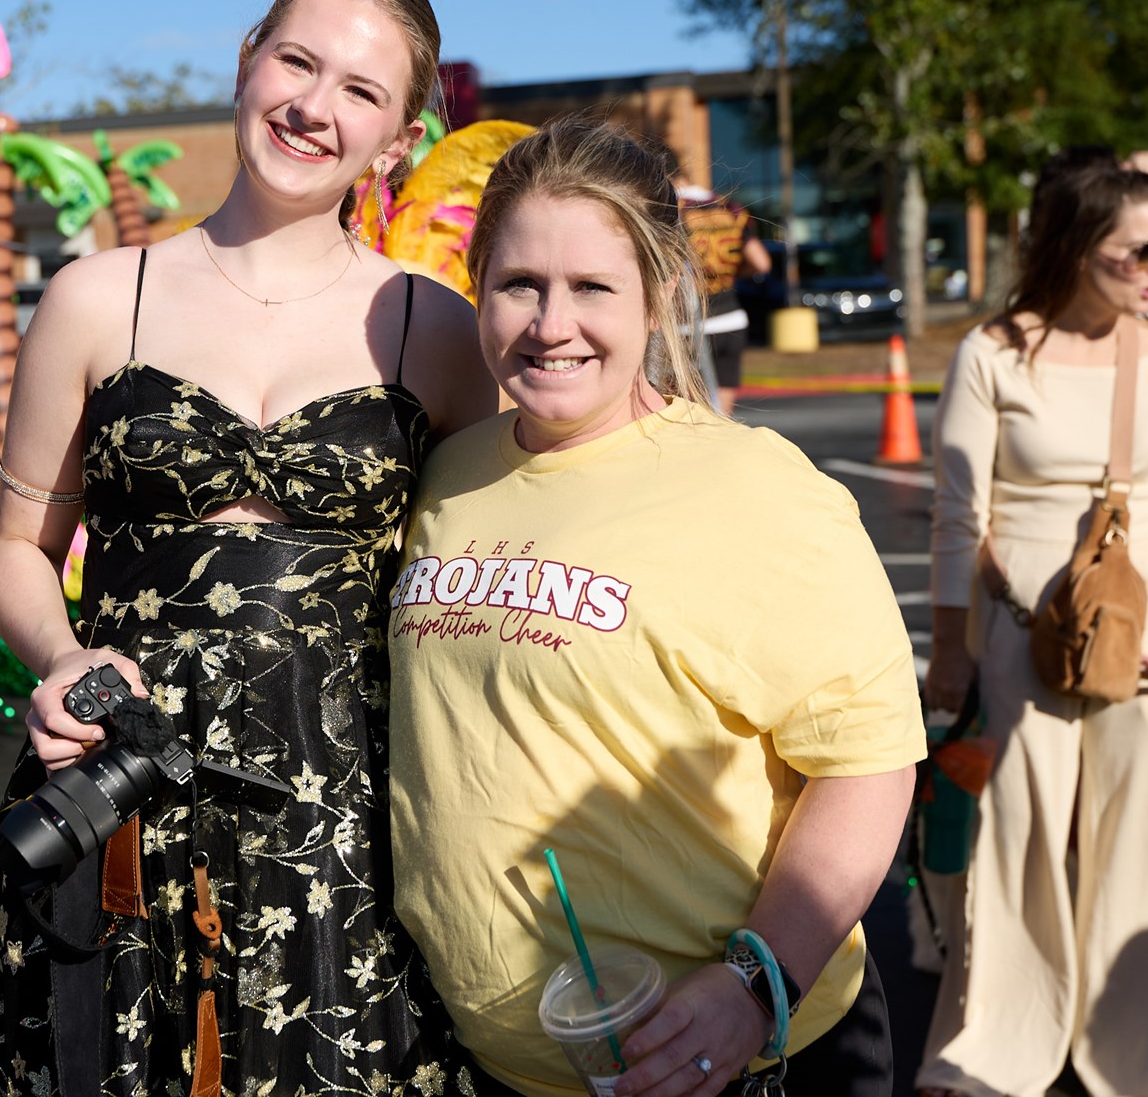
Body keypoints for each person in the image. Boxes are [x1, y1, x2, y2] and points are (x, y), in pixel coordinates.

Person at [0, 0, 499, 1097]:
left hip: (347, 818)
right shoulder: (98, 298)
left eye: (360, 90)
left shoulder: (437, 330)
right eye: (297, 61)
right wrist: (60, 657)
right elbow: (17, 552)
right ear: (248, 58)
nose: (313, 106)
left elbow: (495, 571)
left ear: (397, 140)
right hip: (123, 786)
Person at [386, 117, 925, 1096]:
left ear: (661, 291)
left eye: (593, 287)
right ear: (476, 284)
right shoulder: (445, 472)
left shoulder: (758, 490)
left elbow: (868, 765)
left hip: (734, 1059)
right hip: (496, 1067)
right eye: (519, 284)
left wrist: (755, 985)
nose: (551, 324)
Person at [916, 163, 1148, 1097]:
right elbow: (957, 515)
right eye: (1144, 248)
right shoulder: (993, 353)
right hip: (1017, 630)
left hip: (1146, 631)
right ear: (1079, 248)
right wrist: (952, 654)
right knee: (1015, 837)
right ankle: (994, 1046)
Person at [676, 182, 771, 416]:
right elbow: (762, 263)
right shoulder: (730, 209)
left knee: (686, 414)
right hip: (730, 317)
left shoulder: (671, 208)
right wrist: (732, 274)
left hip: (686, 323)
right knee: (721, 416)